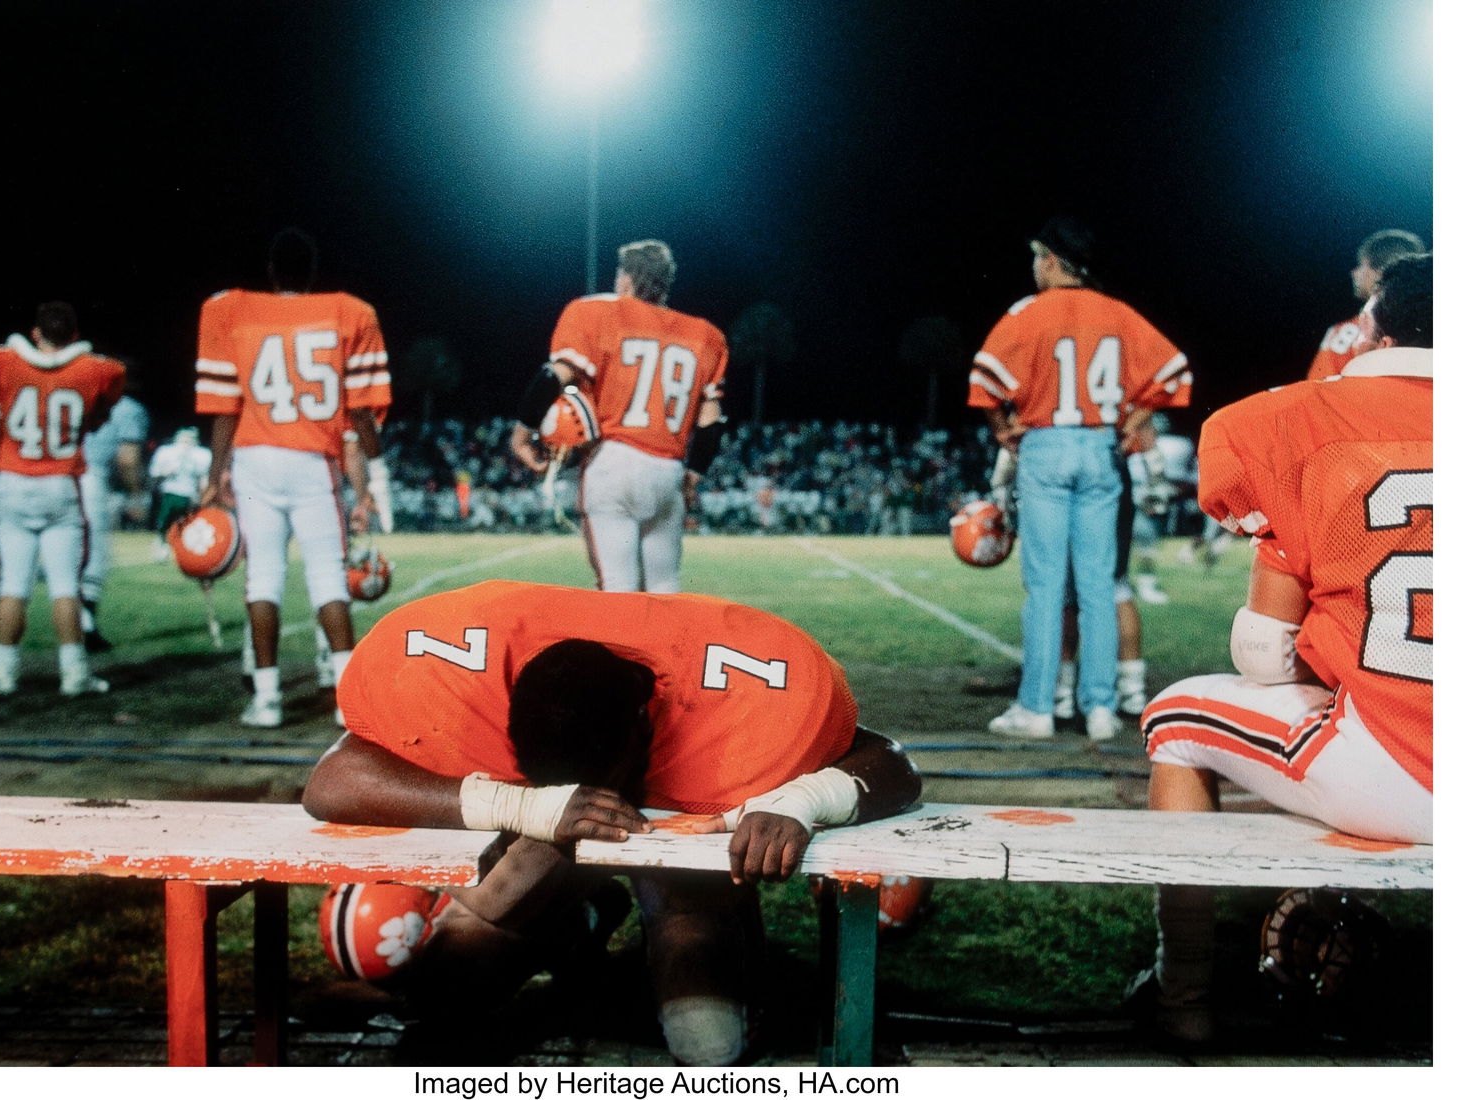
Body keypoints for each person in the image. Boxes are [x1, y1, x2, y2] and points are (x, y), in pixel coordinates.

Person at [303, 579, 922, 1065]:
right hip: (549, 833)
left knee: (709, 1046)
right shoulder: (475, 697)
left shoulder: (720, 707)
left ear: (645, 725)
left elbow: (893, 763)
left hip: (682, 844)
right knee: (440, 996)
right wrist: (523, 806)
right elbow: (332, 781)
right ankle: (578, 920)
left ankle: (623, 927)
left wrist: (801, 801)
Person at [1134, 254, 1432, 1044]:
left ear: (1375, 333)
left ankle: (1182, 995)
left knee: (1176, 719)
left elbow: (1265, 653)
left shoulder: (1289, 423)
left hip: (1398, 770)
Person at [968, 217, 1191, 742]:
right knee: (1099, 585)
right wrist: (1134, 421)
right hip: (1100, 449)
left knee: (1046, 586)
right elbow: (1175, 372)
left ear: (1050, 259)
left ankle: (1037, 707)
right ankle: (1101, 709)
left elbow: (984, 381)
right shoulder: (1118, 313)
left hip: (1046, 446)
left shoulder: (1026, 313)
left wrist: (1003, 429)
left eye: (1037, 257)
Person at [194, 228, 391, 728]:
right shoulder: (349, 311)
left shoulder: (232, 310)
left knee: (263, 577)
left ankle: (266, 699)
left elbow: (224, 408)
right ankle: (347, 700)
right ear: (312, 272)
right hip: (312, 457)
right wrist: (377, 465)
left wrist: (215, 474)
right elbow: (361, 410)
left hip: (255, 456)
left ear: (270, 271)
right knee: (328, 577)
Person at [509, 240, 729, 592]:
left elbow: (554, 376)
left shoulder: (595, 313)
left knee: (617, 587)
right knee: (665, 587)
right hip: (668, 471)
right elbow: (710, 422)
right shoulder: (705, 335)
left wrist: (522, 435)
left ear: (626, 278)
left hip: (614, 462)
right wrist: (693, 477)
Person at [0, 301, 126, 696]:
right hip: (60, 486)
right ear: (74, 335)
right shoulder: (96, 370)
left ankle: (3, 675)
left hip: (13, 485)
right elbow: (98, 415)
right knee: (65, 587)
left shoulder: (0, 363)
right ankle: (74, 675)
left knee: (13, 586)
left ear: (36, 333)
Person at [77, 380, 149, 651]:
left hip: (47, 476)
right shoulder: (128, 408)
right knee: (95, 558)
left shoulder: (75, 392)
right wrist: (136, 495)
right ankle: (85, 626)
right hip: (89, 480)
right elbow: (127, 459)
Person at [1305, 228, 1425, 381]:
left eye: (1362, 265)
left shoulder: (1349, 331)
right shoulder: (1425, 329)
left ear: (1381, 272)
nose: (1354, 272)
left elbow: (1320, 387)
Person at [147, 426, 212, 560]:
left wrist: (203, 494)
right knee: (165, 520)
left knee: (186, 523)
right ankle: (162, 543)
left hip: (190, 494)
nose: (186, 442)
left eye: (190, 439)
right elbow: (154, 474)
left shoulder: (201, 455)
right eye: (184, 439)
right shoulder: (165, 452)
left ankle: (180, 547)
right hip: (170, 492)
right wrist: (165, 473)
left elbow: (203, 479)